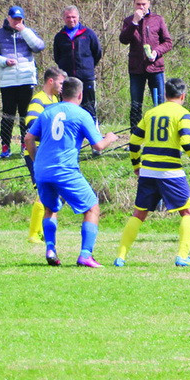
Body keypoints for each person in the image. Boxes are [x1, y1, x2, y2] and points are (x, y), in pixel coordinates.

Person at [24, 78, 119, 267]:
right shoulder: (82, 114)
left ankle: (50, 249)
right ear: (80, 95)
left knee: (50, 209)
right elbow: (98, 146)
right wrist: (110, 137)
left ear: (61, 93)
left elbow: (28, 138)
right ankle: (85, 255)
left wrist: (36, 162)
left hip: (42, 170)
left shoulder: (47, 111)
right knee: (92, 208)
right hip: (65, 170)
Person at [113, 78, 190, 268]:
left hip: (147, 170)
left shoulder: (151, 113)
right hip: (170, 172)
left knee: (139, 213)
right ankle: (182, 256)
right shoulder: (183, 114)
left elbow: (134, 142)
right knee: (189, 212)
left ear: (165, 95)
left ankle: (121, 256)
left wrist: (136, 165)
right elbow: (187, 141)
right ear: (183, 96)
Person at [0, 6, 46, 158]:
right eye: (14, 19)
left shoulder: (28, 32)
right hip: (8, 81)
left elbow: (39, 46)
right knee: (8, 114)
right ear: (8, 18)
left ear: (23, 19)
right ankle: (5, 145)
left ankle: (25, 144)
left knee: (25, 114)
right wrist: (4, 61)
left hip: (26, 79)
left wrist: (24, 31)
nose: (16, 22)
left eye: (19, 19)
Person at [23, 67, 66, 244]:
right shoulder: (38, 100)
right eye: (61, 83)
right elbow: (31, 124)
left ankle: (40, 232)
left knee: (50, 193)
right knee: (43, 193)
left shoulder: (54, 99)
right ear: (50, 81)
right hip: (37, 152)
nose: (63, 86)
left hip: (49, 154)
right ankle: (33, 234)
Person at [119, 0, 173, 130]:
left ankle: (161, 134)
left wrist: (156, 52)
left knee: (159, 103)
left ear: (149, 3)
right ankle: (135, 136)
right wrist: (134, 23)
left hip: (156, 67)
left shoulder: (158, 19)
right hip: (136, 69)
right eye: (138, 4)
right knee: (136, 104)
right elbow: (123, 40)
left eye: (144, 4)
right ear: (134, 4)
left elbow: (168, 42)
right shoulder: (128, 21)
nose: (141, 7)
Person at [53, 5, 103, 120]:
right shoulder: (59, 37)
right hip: (67, 79)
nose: (71, 20)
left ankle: (92, 129)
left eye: (73, 17)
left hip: (86, 78)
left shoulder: (89, 34)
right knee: (67, 109)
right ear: (63, 18)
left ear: (78, 17)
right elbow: (57, 57)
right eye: (68, 17)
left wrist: (87, 67)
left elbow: (97, 53)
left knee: (89, 107)